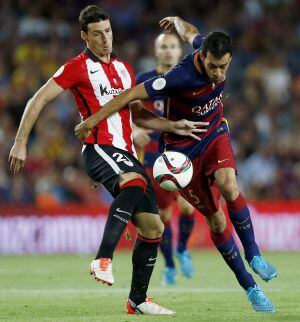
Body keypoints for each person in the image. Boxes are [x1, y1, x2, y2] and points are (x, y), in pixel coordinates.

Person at [8, 7, 208, 315]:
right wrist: (21, 142)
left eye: (109, 31)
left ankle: (137, 300)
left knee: (154, 227)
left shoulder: (125, 69)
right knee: (136, 181)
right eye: (98, 34)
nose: (105, 39)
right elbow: (39, 98)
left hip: (126, 153)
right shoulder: (77, 67)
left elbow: (137, 113)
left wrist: (172, 125)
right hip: (98, 147)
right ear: (84, 36)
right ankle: (102, 258)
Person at [74, 16, 278, 313]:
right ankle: (251, 287)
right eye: (213, 67)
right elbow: (131, 94)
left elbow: (192, 33)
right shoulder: (178, 77)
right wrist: (93, 120)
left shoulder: (207, 46)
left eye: (225, 67)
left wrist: (180, 22)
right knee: (217, 221)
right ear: (202, 58)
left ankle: (255, 254)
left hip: (214, 133)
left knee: (229, 183)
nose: (219, 74)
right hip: (183, 153)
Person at [134, 33, 196, 285]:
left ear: (179, 52)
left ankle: (182, 249)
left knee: (188, 206)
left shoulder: (189, 78)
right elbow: (130, 113)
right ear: (156, 51)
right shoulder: (144, 79)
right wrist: (134, 130)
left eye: (173, 46)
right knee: (163, 214)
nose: (169, 51)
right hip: (152, 154)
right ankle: (170, 265)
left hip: (181, 150)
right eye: (164, 47)